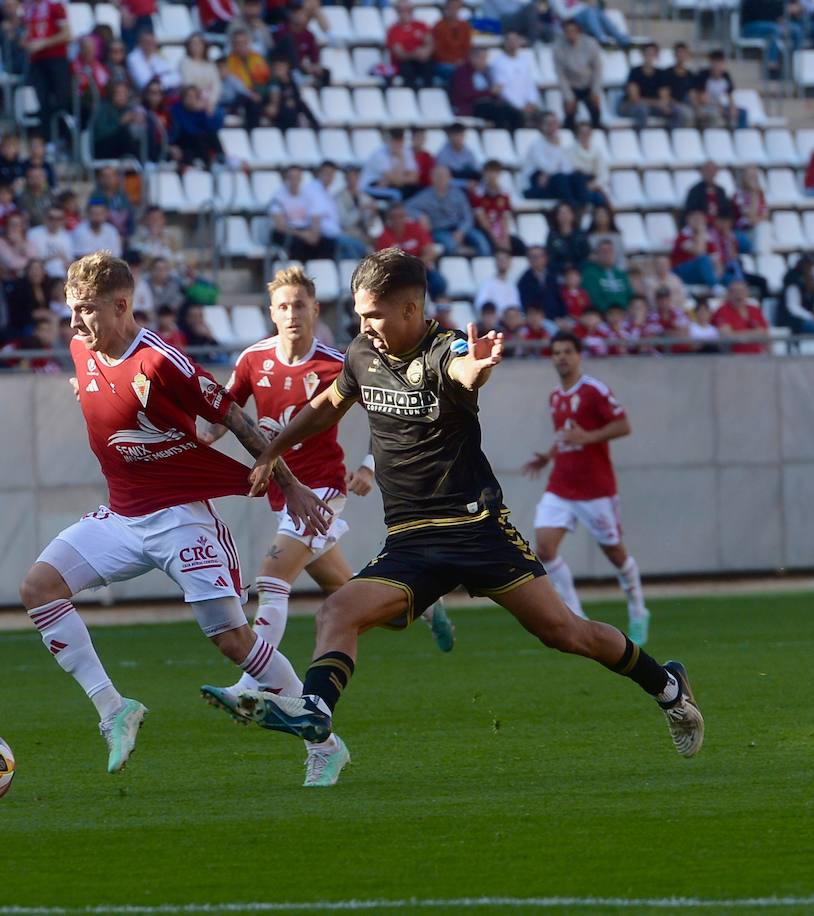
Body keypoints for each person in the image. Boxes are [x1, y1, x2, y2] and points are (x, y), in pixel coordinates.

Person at [220, 247, 704, 764]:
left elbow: (464, 373)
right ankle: (315, 707)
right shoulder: (362, 353)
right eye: (360, 314)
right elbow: (326, 407)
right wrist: (272, 449)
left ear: (410, 310)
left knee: (566, 633)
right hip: (411, 539)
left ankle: (668, 687)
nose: (363, 325)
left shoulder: (445, 348)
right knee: (337, 611)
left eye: (373, 314)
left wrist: (478, 366)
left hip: (478, 530)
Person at [17, 250, 338, 780]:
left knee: (234, 642)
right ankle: (114, 710)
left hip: (180, 520)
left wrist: (292, 485)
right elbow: (100, 394)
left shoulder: (162, 362)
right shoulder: (81, 347)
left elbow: (234, 417)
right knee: (38, 588)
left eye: (87, 309)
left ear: (122, 305)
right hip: (121, 519)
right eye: (71, 309)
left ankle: (324, 745)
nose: (74, 322)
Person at [198, 265, 455, 700]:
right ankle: (423, 604)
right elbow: (226, 418)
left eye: (300, 304)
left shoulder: (335, 363)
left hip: (321, 490)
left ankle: (250, 686)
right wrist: (194, 439)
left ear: (315, 309)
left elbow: (390, 414)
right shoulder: (252, 360)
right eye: (283, 306)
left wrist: (370, 466)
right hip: (283, 496)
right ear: (271, 313)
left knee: (272, 578)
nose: (292, 313)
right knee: (352, 594)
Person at [522, 332, 650, 644]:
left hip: (596, 488)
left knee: (615, 553)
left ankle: (638, 610)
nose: (561, 357)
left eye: (567, 351)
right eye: (556, 352)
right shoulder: (556, 396)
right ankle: (575, 615)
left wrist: (589, 437)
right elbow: (566, 435)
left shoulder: (594, 390)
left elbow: (623, 425)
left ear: (579, 355)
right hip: (561, 485)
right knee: (544, 548)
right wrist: (548, 456)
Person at [407, 165, 489, 257]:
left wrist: (461, 231)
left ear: (450, 178)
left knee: (482, 243)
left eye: (443, 176)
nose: (441, 179)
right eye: (437, 176)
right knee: (451, 246)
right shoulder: (424, 196)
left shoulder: (458, 194)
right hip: (440, 230)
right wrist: (420, 215)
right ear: (432, 178)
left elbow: (467, 217)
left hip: (460, 227)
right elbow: (407, 207)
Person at [22, 0, 72, 141]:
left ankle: (65, 138)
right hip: (36, 61)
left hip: (56, 59)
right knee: (41, 102)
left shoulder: (55, 6)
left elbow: (67, 34)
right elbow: (28, 32)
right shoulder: (28, 7)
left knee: (60, 101)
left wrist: (43, 43)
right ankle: (47, 140)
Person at [619, 42, 691, 129]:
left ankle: (670, 137)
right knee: (642, 110)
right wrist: (657, 103)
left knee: (677, 111)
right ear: (642, 55)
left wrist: (665, 106)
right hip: (631, 106)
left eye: (652, 54)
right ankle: (641, 139)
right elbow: (634, 98)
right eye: (647, 53)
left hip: (652, 107)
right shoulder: (635, 72)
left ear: (656, 56)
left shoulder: (660, 73)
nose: (650, 56)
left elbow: (664, 96)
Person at [450, 46, 523, 130]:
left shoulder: (486, 72)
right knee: (498, 112)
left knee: (514, 112)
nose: (484, 61)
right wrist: (490, 92)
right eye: (482, 58)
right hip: (470, 107)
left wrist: (495, 91)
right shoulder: (462, 72)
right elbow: (466, 94)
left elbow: (491, 92)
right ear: (472, 57)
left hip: (487, 104)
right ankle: (499, 135)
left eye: (485, 58)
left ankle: (513, 137)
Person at [554, 19, 602, 130]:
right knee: (569, 114)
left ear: (578, 31)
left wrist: (595, 91)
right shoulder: (558, 47)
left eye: (573, 31)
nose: (570, 34)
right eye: (567, 31)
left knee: (595, 112)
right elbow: (560, 75)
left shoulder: (590, 44)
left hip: (588, 83)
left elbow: (597, 69)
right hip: (571, 86)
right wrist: (568, 97)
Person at [489, 32, 541, 124]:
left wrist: (532, 102)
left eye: (515, 40)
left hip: (527, 106)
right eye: (510, 40)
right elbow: (502, 91)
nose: (513, 43)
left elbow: (530, 85)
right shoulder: (498, 63)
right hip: (511, 108)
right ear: (505, 43)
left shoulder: (524, 62)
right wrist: (519, 107)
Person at [386, 0, 436, 90]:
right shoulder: (393, 31)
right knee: (407, 69)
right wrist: (415, 54)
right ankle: (412, 96)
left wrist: (425, 51)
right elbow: (399, 53)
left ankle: (428, 94)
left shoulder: (420, 25)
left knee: (429, 66)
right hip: (404, 62)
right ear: (397, 12)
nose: (405, 13)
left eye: (407, 10)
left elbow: (430, 42)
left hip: (421, 60)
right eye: (401, 10)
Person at [712, 278, 769, 354]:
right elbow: (727, 337)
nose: (738, 294)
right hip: (734, 358)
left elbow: (766, 335)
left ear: (747, 293)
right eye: (735, 291)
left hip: (757, 356)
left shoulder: (754, 310)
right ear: (729, 294)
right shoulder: (722, 311)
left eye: (742, 291)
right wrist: (755, 334)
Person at [582, 239, 632, 312]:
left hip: (625, 314)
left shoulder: (621, 274)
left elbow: (630, 294)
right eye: (603, 251)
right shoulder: (590, 273)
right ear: (597, 254)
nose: (607, 254)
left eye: (610, 251)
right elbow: (594, 298)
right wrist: (613, 313)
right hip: (604, 315)